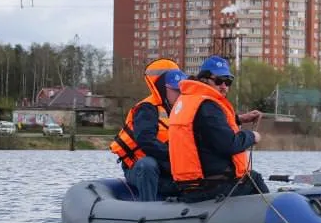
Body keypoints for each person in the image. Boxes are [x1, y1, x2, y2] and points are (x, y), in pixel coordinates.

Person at [167, 55, 268, 201]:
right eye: (219, 81)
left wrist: (239, 119)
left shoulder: (188, 100)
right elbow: (229, 144)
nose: (224, 86)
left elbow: (204, 127)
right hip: (211, 186)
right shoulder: (208, 106)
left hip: (190, 186)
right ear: (204, 80)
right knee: (254, 178)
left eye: (228, 82)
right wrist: (252, 136)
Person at [110, 58, 182, 202]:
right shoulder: (147, 109)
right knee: (148, 164)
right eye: (176, 90)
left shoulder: (179, 110)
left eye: (181, 89)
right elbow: (146, 141)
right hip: (139, 167)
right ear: (163, 88)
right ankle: (148, 207)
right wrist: (175, 156)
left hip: (166, 165)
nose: (180, 93)